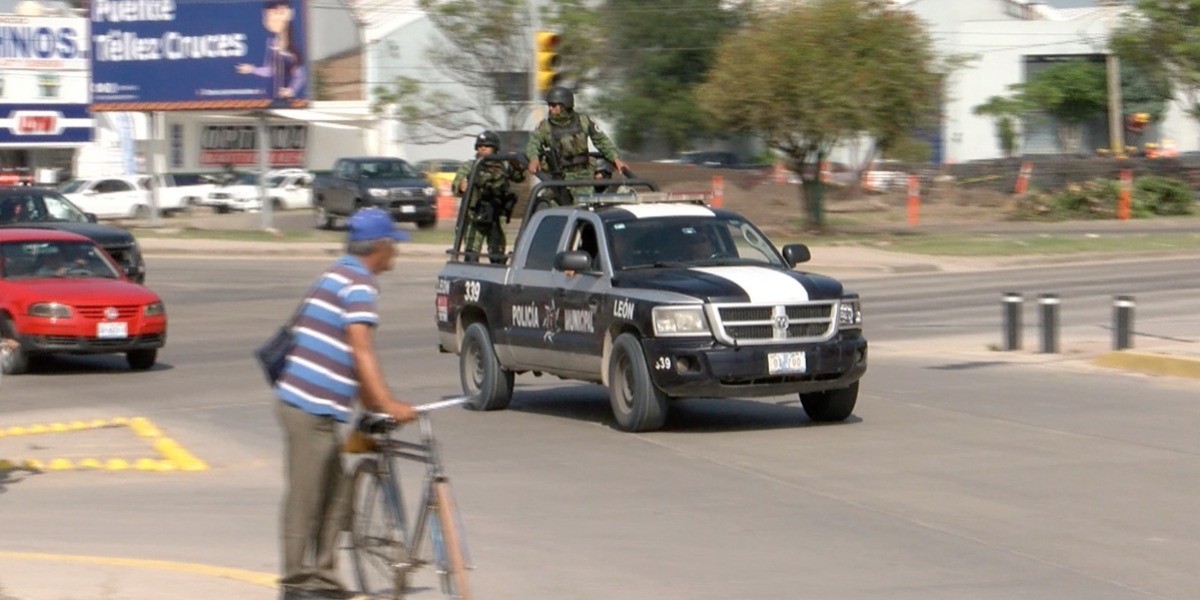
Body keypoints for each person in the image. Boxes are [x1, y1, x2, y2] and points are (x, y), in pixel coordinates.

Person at [273, 207, 417, 600]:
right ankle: (296, 585)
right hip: (306, 407)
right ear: (381, 247)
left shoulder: (339, 271)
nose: (396, 254)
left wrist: (376, 406)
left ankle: (321, 578)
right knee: (306, 495)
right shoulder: (358, 284)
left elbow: (349, 356)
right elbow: (360, 348)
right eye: (394, 246)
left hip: (315, 406)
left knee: (336, 493)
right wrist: (386, 403)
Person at [525, 86, 628, 204]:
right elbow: (534, 143)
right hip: (560, 177)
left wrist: (616, 159)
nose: (550, 108)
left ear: (564, 106)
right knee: (550, 206)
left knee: (588, 206)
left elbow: (602, 141)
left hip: (584, 176)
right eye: (549, 105)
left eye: (554, 105)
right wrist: (534, 158)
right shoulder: (545, 127)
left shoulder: (583, 121)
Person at [452, 130, 525, 263]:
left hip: (497, 216)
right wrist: (461, 186)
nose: (483, 148)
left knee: (497, 255)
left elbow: (519, 178)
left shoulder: (504, 164)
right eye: (480, 146)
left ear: (495, 148)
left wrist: (517, 166)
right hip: (475, 214)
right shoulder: (470, 166)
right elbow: (456, 186)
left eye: (487, 146)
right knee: (471, 254)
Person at [236, 0, 306, 100]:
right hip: (274, 97)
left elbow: (300, 75)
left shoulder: (294, 47)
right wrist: (252, 69)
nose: (273, 18)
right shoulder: (272, 43)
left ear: (289, 14)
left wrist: (292, 90)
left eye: (278, 13)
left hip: (287, 100)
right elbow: (270, 70)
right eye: (269, 14)